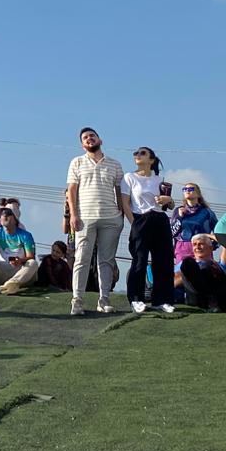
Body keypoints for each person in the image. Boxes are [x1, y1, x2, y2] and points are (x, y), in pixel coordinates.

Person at [66, 126, 127, 317]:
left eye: (92, 136)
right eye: (85, 137)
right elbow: (72, 190)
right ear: (82, 145)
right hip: (85, 218)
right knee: (81, 259)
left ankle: (104, 299)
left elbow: (120, 190)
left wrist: (121, 214)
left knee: (106, 260)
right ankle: (77, 300)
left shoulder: (115, 164)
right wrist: (73, 215)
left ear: (100, 140)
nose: (89, 139)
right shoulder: (77, 162)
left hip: (111, 218)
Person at [123, 146, 175, 313]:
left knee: (163, 261)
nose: (138, 155)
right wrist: (134, 223)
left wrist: (169, 200)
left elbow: (169, 205)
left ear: (151, 160)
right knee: (140, 261)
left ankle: (162, 300)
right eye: (136, 153)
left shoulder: (159, 179)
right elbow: (125, 203)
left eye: (142, 153)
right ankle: (136, 299)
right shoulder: (129, 177)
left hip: (160, 219)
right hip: (141, 218)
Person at [169, 184, 217, 293]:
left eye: (191, 189)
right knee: (182, 274)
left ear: (198, 194)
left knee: (203, 273)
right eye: (184, 189)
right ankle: (180, 297)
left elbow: (218, 231)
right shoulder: (178, 211)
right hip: (183, 247)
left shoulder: (207, 212)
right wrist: (180, 217)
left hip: (202, 247)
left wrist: (211, 246)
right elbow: (171, 232)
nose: (187, 190)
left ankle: (204, 297)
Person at [179, 233, 226, 312]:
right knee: (188, 262)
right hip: (198, 297)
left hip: (220, 298)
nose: (197, 247)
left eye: (201, 244)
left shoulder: (220, 265)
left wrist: (208, 236)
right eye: (194, 244)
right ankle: (209, 302)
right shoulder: (187, 265)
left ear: (211, 248)